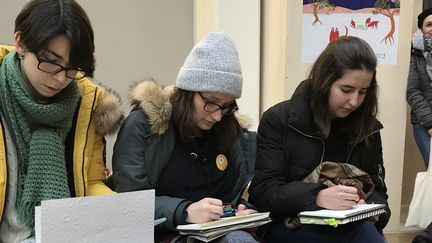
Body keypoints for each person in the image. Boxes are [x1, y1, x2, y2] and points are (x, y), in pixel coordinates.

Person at [112, 31, 257, 243]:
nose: (217, 115)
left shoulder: (230, 130)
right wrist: (185, 211)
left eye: (227, 106)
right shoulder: (145, 126)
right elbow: (128, 204)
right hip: (163, 234)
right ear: (189, 90)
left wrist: (244, 211)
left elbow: (235, 194)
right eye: (210, 101)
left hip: (220, 234)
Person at [0, 0, 124, 242]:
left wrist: (116, 210)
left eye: (71, 69)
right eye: (51, 61)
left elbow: (89, 182)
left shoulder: (86, 104)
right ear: (21, 42)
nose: (59, 79)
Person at [248, 36, 390, 243]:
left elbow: (378, 191)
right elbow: (263, 193)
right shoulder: (279, 119)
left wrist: (372, 210)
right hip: (290, 226)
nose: (354, 101)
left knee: (364, 231)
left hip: (351, 225)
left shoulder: (368, 128)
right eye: (347, 90)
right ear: (324, 80)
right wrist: (317, 197)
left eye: (363, 92)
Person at [407, 8, 432, 167]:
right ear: (422, 29)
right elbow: (412, 91)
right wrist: (430, 123)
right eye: (429, 24)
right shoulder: (416, 53)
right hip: (425, 125)